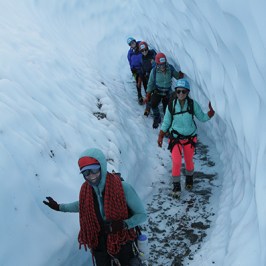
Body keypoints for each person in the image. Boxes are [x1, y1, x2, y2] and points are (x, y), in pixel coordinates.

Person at [43, 148, 147, 266]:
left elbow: (142, 215)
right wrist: (59, 207)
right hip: (99, 244)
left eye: (94, 170)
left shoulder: (123, 188)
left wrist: (124, 224)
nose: (91, 176)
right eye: (86, 172)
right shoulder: (87, 191)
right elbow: (82, 205)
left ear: (102, 167)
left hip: (122, 242)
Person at [157, 79, 215, 198]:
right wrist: (161, 135)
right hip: (175, 139)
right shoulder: (171, 105)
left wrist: (211, 112)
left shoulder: (193, 104)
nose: (181, 94)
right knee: (177, 162)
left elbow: (202, 117)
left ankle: (189, 179)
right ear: (176, 92)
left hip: (190, 138)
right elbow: (167, 121)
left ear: (187, 92)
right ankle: (176, 186)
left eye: (183, 91)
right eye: (178, 91)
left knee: (189, 161)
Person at [144, 52, 184, 129]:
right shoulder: (154, 71)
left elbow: (177, 76)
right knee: (153, 104)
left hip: (167, 92)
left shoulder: (170, 68)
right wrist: (148, 93)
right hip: (158, 91)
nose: (162, 66)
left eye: (163, 64)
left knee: (168, 109)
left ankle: (168, 123)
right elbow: (150, 82)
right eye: (160, 65)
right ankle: (157, 117)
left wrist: (180, 75)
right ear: (157, 64)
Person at [138, 41, 157, 117]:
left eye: (145, 49)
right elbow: (142, 68)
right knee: (148, 92)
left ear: (147, 48)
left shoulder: (152, 53)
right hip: (148, 77)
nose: (144, 51)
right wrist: (141, 77)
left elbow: (157, 62)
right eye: (142, 50)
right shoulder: (142, 58)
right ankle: (148, 108)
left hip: (155, 76)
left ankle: (153, 109)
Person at [127, 37, 145, 105]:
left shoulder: (141, 46)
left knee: (146, 82)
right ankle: (139, 95)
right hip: (136, 70)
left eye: (133, 42)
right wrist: (132, 68)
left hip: (143, 68)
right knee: (138, 82)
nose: (132, 44)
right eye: (131, 44)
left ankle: (148, 96)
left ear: (135, 41)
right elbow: (130, 61)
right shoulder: (130, 52)